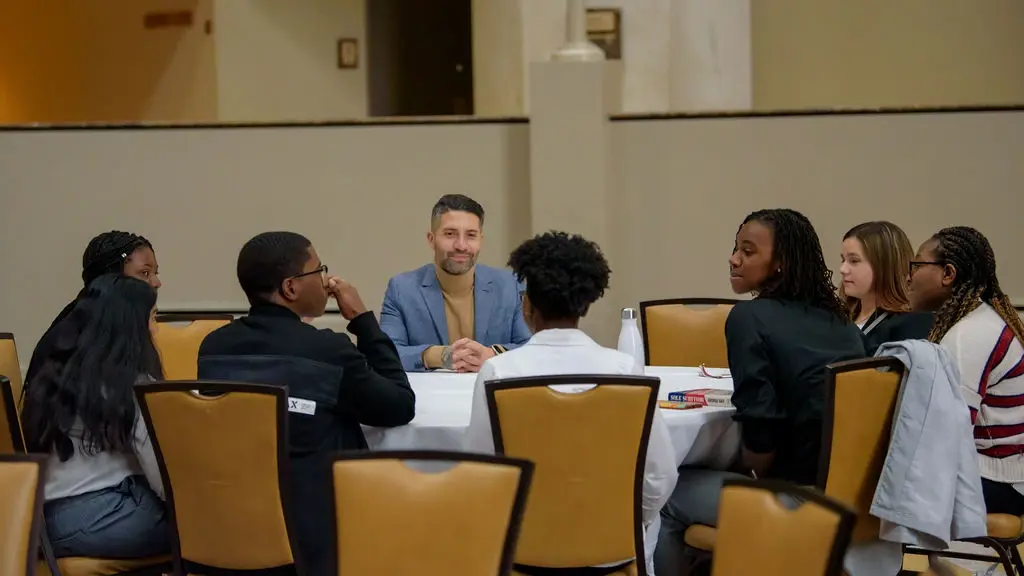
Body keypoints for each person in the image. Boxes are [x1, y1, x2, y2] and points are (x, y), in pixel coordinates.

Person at [655, 209, 865, 575]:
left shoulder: (749, 318)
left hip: (794, 499)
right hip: (851, 500)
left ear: (781, 263)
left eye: (748, 251)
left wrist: (748, 465)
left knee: (663, 493)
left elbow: (761, 430)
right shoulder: (843, 322)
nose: (734, 259)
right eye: (736, 248)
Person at [197, 231, 415, 576]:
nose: (325, 280)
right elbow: (400, 406)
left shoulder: (213, 347)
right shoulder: (328, 351)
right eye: (318, 271)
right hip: (314, 536)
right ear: (291, 288)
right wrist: (363, 320)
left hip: (234, 524)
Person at [464, 231, 676, 575]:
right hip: (613, 556)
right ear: (587, 303)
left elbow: (480, 476)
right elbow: (660, 474)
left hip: (522, 559)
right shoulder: (623, 369)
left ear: (526, 304)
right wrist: (627, 524)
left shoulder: (499, 371)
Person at [21, 274, 168, 559]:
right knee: (209, 521)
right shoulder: (132, 382)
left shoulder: (57, 371)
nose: (156, 330)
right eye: (153, 318)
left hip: (45, 522)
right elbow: (164, 477)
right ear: (130, 327)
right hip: (104, 517)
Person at [908, 226, 1024, 515]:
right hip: (1006, 474)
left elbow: (948, 433)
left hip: (998, 482)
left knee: (870, 489)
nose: (909, 276)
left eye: (917, 264)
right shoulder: (983, 320)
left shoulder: (968, 335)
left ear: (948, 274)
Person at [380, 194, 531, 372]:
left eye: (471, 235)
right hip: (428, 396)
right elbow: (384, 355)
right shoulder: (401, 289)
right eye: (450, 234)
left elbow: (532, 348)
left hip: (491, 396)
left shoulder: (511, 285)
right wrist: (436, 356)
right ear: (431, 239)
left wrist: (492, 355)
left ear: (480, 240)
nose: (461, 245)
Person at [25, 231, 161, 397]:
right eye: (145, 273)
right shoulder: (77, 342)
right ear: (112, 279)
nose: (157, 283)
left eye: (156, 273)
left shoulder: (125, 330)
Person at [839, 221, 932, 354]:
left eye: (854, 261)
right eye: (843, 260)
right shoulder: (838, 317)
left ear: (885, 266)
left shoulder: (908, 324)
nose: (843, 269)